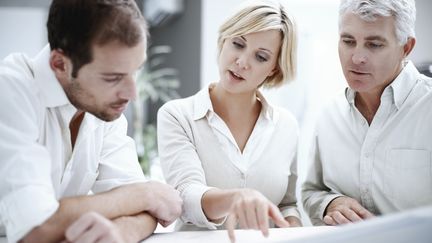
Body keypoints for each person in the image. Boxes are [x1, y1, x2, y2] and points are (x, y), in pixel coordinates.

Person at [0, 0, 182, 242]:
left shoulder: (102, 107)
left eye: (135, 70)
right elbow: (36, 228)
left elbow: (149, 211)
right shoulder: (10, 90)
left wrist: (120, 232)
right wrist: (143, 194)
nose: (132, 93)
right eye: (112, 77)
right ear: (60, 64)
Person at [157, 0, 301, 242]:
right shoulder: (177, 115)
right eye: (238, 44)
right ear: (223, 41)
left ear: (274, 70)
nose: (242, 62)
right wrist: (236, 199)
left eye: (261, 57)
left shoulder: (287, 125)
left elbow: (287, 203)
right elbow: (186, 197)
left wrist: (295, 229)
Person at [302, 0, 432, 226]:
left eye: (374, 45)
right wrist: (330, 203)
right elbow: (311, 192)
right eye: (348, 41)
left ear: (406, 48)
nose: (357, 58)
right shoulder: (329, 116)